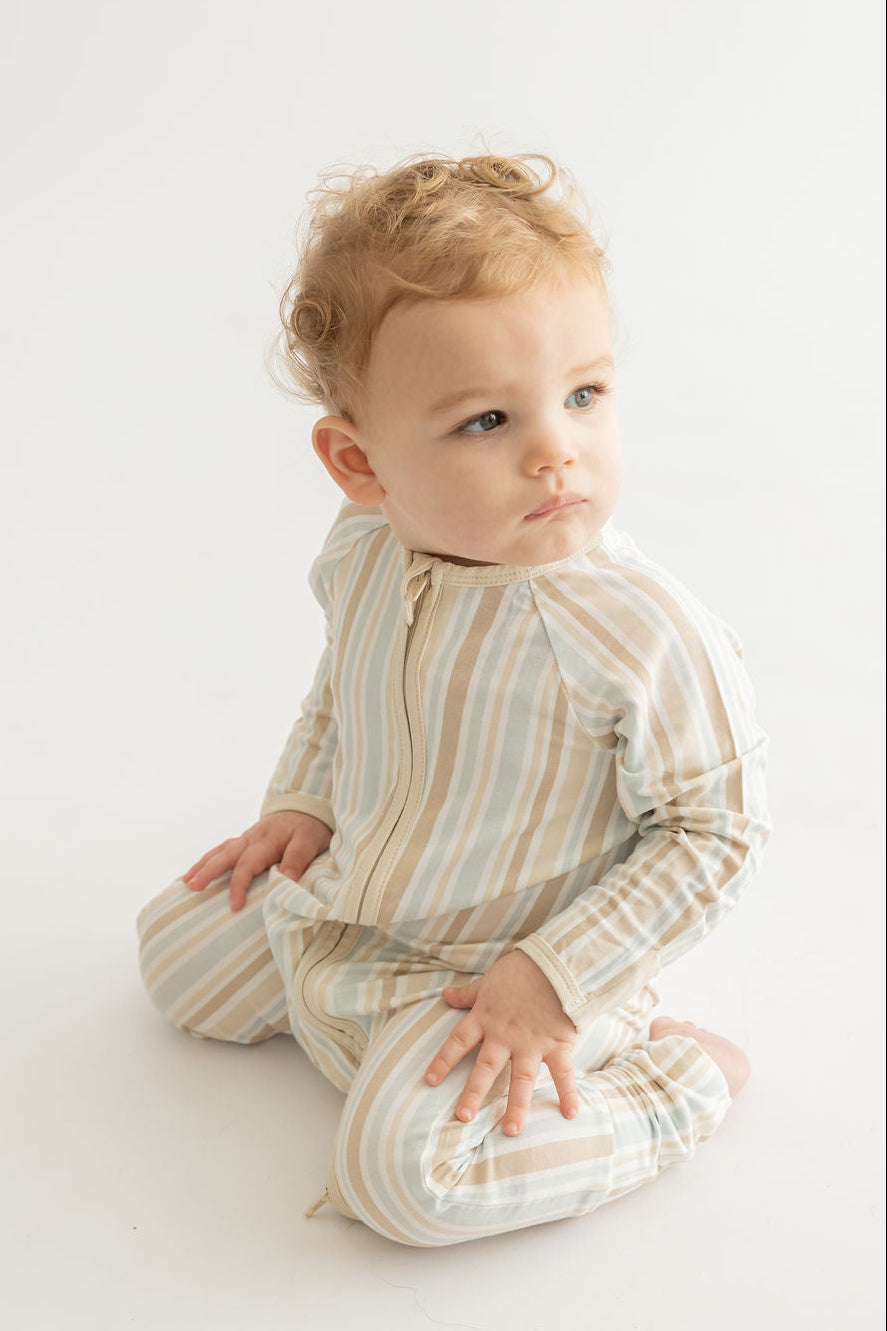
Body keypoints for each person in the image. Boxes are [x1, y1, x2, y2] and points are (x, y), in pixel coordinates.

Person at [136, 151, 772, 1247]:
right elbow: (341, 689)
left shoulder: (637, 629)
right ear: (359, 462)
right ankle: (343, 1020)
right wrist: (301, 805)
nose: (555, 451)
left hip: (500, 974)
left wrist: (551, 977)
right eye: (486, 421)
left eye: (582, 394)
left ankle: (667, 1084)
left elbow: (715, 832)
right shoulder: (366, 546)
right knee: (175, 957)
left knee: (404, 1182)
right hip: (348, 910)